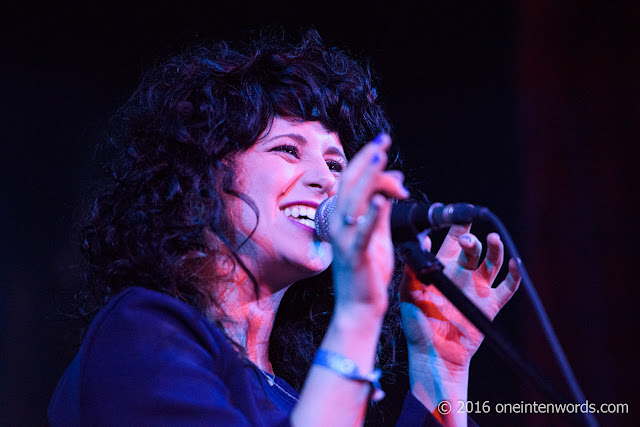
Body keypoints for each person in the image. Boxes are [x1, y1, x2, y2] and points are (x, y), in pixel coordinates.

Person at [48, 29, 521, 426]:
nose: (326, 181)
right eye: (288, 150)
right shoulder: (142, 335)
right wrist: (358, 312)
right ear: (203, 175)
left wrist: (440, 368)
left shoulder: (297, 398)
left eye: (337, 164)